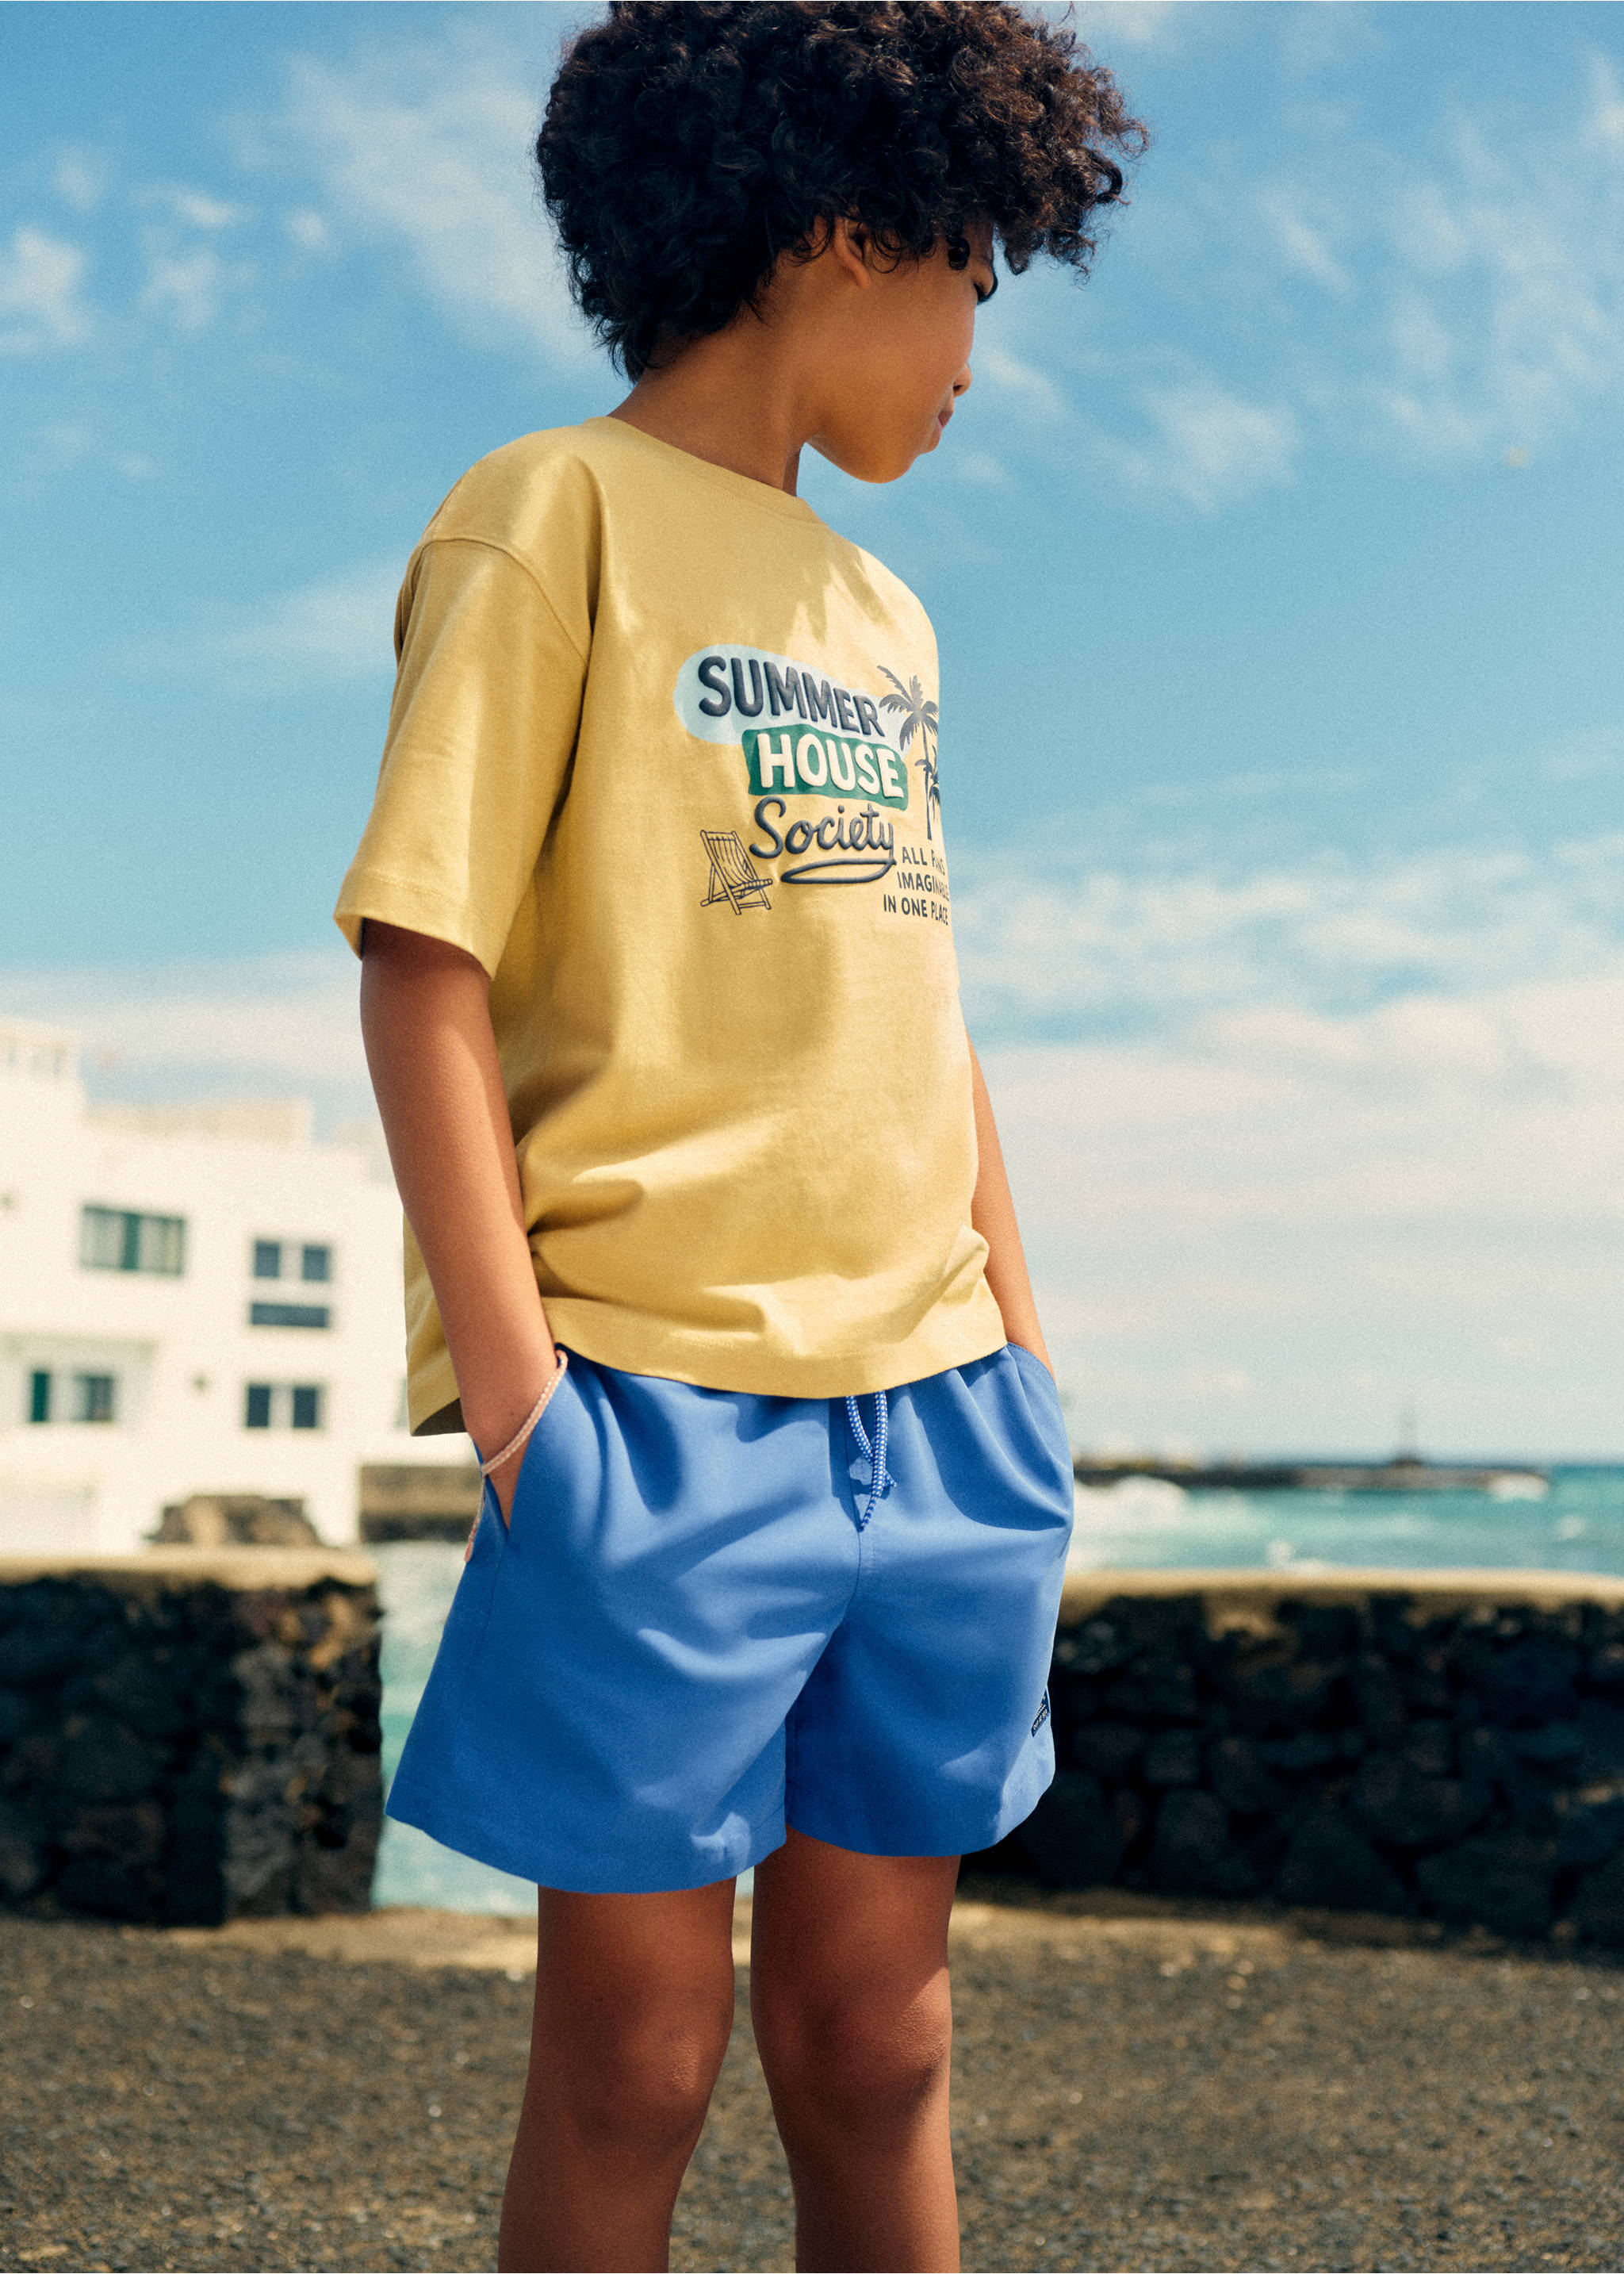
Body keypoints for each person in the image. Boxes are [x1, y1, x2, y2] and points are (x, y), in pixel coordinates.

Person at [336, 6, 1143, 2266]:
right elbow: (426, 957)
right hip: (652, 1409)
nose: (984, 340)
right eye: (972, 269)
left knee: (881, 2034)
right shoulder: (545, 513)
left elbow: (925, 999)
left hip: (941, 1403)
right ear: (838, 224)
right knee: (637, 2055)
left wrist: (1026, 1344)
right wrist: (522, 1409)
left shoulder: (889, 613)